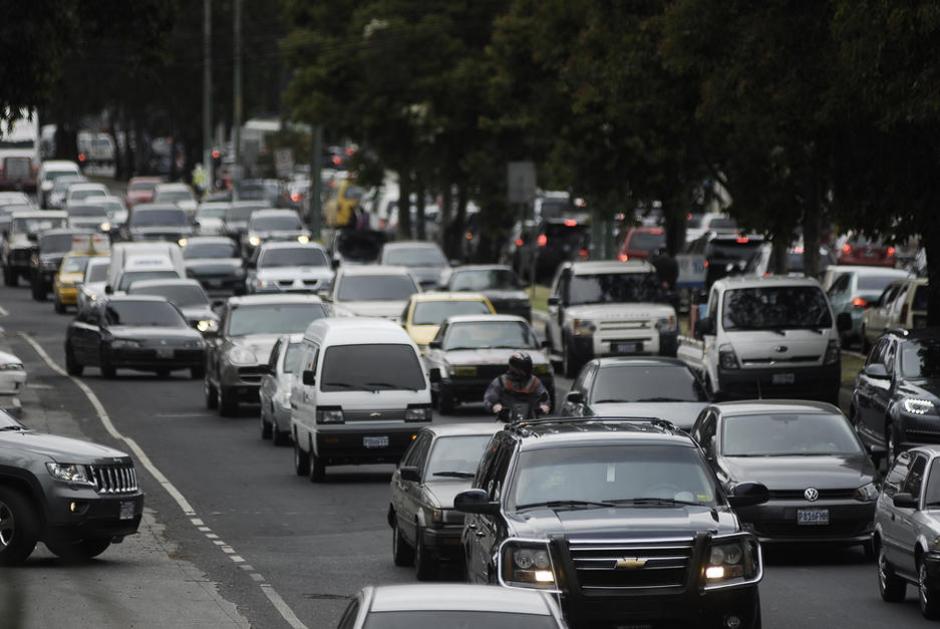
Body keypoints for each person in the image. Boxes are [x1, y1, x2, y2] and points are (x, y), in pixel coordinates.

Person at [483, 352, 550, 420]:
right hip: (506, 419)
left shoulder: (534, 381)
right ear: (513, 367)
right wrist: (494, 406)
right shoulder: (500, 381)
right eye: (523, 367)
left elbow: (544, 395)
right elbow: (489, 398)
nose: (526, 369)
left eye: (527, 366)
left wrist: (544, 405)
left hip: (531, 419)